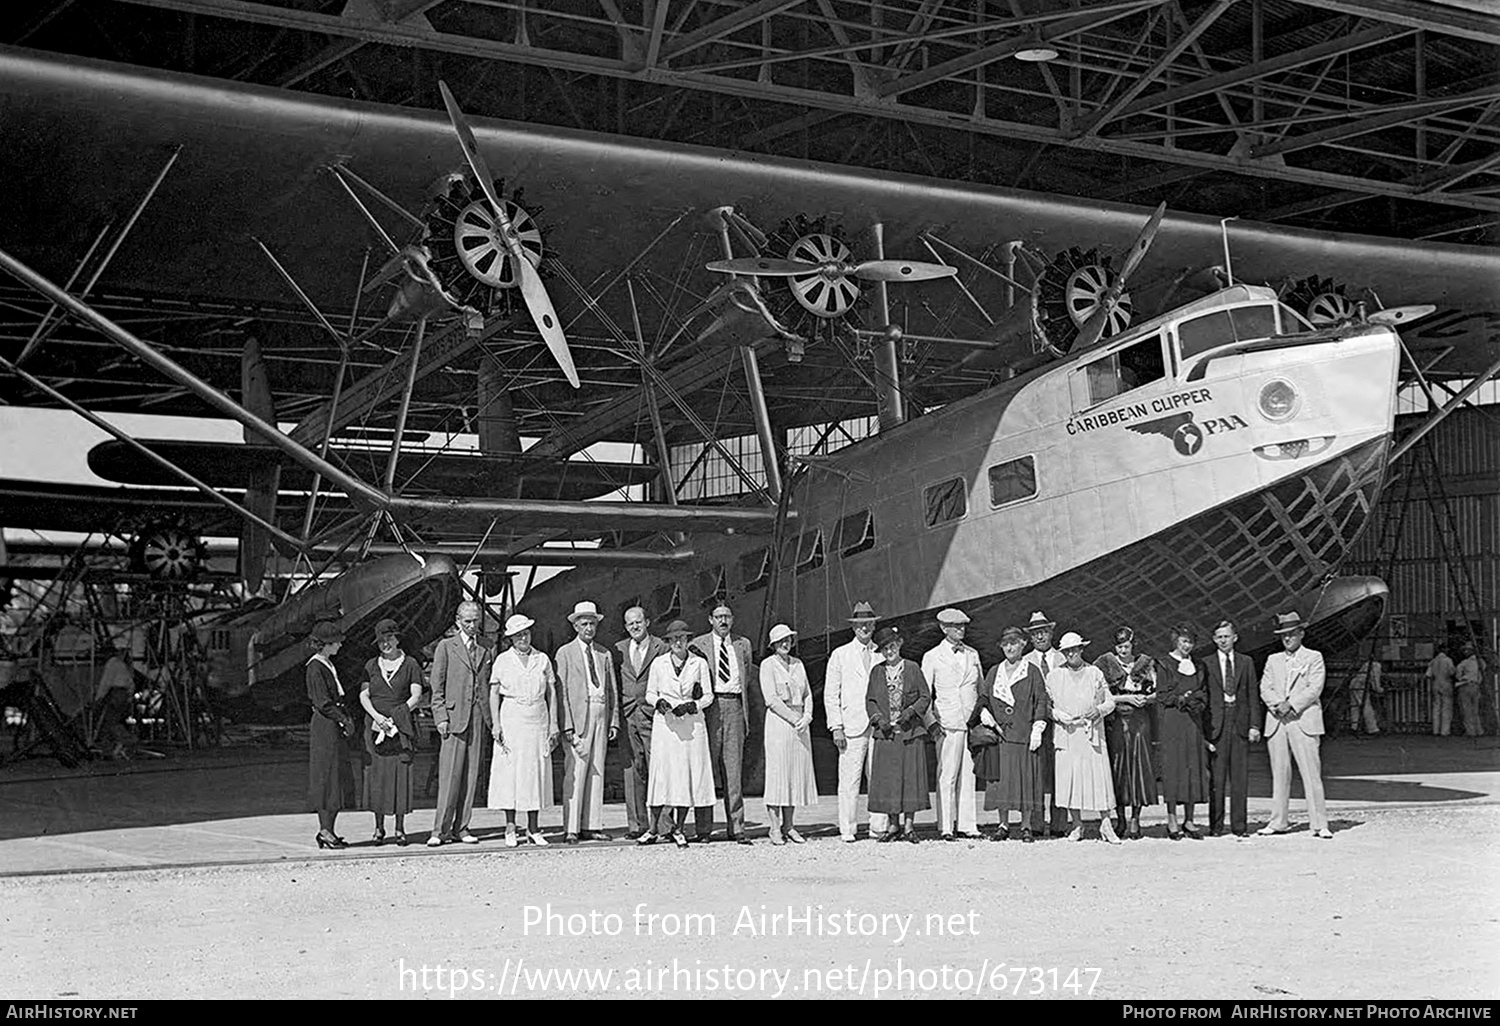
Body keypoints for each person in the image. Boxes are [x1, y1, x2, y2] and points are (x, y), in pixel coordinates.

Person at [971, 625, 1049, 842]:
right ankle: (1003, 825)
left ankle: (1025, 826)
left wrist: (1038, 727)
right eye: (1005, 644)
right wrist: (984, 711)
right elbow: (984, 696)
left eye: (1013, 643)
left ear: (1023, 644)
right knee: (1001, 781)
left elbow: (1041, 700)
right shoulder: (995, 671)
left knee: (1025, 780)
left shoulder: (1032, 670)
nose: (1009, 647)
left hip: (1024, 734)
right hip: (1000, 736)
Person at [642, 619, 716, 848]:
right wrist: (660, 702)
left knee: (685, 776)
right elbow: (649, 694)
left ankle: (679, 829)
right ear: (668, 641)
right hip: (666, 726)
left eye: (682, 638)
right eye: (673, 639)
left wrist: (694, 705)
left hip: (690, 726)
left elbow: (708, 696)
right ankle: (653, 828)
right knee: (662, 776)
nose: (678, 642)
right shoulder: (658, 664)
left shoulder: (699, 663)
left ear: (687, 640)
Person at [1258, 611, 1332, 839]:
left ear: (1301, 633)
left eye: (1291, 634)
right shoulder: (1273, 660)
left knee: (1311, 773)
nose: (1287, 639)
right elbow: (1265, 687)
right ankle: (1278, 821)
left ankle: (1319, 823)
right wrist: (1276, 705)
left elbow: (1314, 688)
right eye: (1283, 635)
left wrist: (1291, 704)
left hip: (1303, 720)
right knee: (1279, 773)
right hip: (1277, 721)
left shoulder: (1314, 657)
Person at [488, 614, 558, 848]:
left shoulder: (542, 659)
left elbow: (552, 692)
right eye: (518, 635)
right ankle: (510, 827)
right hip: (512, 718)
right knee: (510, 773)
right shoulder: (502, 660)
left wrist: (554, 724)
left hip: (537, 718)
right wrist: (496, 724)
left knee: (534, 772)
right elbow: (493, 694)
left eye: (526, 633)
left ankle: (534, 828)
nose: (523, 638)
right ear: (511, 638)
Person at [428, 601, 494, 847]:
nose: (472, 625)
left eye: (475, 620)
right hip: (453, 719)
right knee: (450, 777)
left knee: (471, 775)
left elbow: (488, 686)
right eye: (467, 621)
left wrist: (492, 721)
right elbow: (437, 686)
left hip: (477, 717)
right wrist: (441, 717)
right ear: (457, 621)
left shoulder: (486, 649)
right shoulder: (446, 647)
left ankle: (462, 827)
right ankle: (440, 830)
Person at [1045, 632, 1121, 844]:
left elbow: (1110, 701)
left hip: (1091, 733)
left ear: (1081, 650)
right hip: (1067, 733)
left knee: (1099, 778)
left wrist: (1099, 710)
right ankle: (1077, 824)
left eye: (1074, 649)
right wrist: (1058, 715)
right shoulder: (1054, 676)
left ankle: (1106, 824)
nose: (1071, 653)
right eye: (1067, 651)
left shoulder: (1094, 672)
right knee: (1070, 779)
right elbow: (1047, 706)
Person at [554, 600, 620, 844]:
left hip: (601, 710)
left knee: (596, 770)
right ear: (575, 626)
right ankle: (571, 827)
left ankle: (591, 825)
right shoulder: (565, 653)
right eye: (584, 624)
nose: (589, 628)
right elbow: (561, 693)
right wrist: (567, 725)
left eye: (592, 623)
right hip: (579, 716)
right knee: (576, 769)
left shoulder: (604, 653)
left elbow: (611, 688)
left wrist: (613, 720)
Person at [823, 601, 887, 843]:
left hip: (878, 724)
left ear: (874, 625)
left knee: (877, 777)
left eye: (869, 623)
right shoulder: (840, 654)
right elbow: (831, 694)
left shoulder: (881, 653)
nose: (865, 628)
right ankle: (847, 829)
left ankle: (878, 827)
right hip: (851, 725)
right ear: (853, 627)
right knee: (849, 779)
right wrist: (835, 726)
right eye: (860, 624)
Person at [865, 625, 932, 843]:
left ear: (899, 645)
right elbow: (870, 700)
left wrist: (911, 712)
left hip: (909, 731)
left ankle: (909, 827)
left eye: (891, 646)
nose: (888, 651)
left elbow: (924, 696)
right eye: (884, 649)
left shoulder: (912, 668)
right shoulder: (877, 671)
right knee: (889, 780)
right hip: (886, 734)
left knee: (909, 778)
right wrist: (878, 719)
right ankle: (893, 825)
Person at [694, 604, 754, 845]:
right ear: (710, 620)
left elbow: (747, 674)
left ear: (733, 619)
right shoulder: (698, 644)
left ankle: (737, 827)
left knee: (733, 769)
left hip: (734, 705)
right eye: (718, 617)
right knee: (705, 769)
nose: (723, 621)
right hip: (710, 707)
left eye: (727, 616)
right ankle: (704, 828)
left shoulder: (743, 644)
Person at [921, 608, 981, 841]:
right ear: (943, 628)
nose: (961, 630)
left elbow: (980, 687)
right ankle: (946, 825)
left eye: (963, 626)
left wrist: (980, 715)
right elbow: (925, 694)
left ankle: (968, 824)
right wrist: (931, 724)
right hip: (946, 722)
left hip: (969, 721)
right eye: (956, 626)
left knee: (969, 773)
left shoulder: (973, 655)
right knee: (947, 774)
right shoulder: (932, 656)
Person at [360, 618, 422, 846]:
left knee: (399, 777)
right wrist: (377, 718)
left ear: (397, 639)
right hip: (375, 727)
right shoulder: (370, 665)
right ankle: (378, 829)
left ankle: (399, 828)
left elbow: (416, 696)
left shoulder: (411, 664)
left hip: (401, 728)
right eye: (381, 640)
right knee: (378, 778)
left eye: (389, 638)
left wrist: (397, 718)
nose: (385, 643)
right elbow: (363, 695)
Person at [1094, 626, 1157, 840]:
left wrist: (1146, 699)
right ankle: (1120, 818)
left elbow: (1156, 691)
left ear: (1133, 645)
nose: (1123, 650)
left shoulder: (1145, 664)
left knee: (1138, 765)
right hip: (1117, 720)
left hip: (1140, 721)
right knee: (1119, 768)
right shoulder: (1105, 664)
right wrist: (1126, 699)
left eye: (1127, 646)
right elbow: (1102, 693)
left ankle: (1135, 819)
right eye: (1120, 646)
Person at [760, 624, 817, 845]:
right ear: (773, 644)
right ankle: (774, 828)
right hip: (779, 724)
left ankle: (790, 825)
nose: (786, 643)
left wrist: (808, 716)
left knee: (794, 774)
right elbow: (771, 699)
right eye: (781, 640)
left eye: (789, 639)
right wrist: (795, 719)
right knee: (778, 775)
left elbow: (807, 693)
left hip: (800, 725)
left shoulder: (798, 664)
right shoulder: (768, 665)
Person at [616, 606, 669, 842]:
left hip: (652, 714)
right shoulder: (618, 649)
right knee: (633, 771)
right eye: (630, 624)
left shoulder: (661, 647)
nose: (635, 627)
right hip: (628, 715)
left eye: (638, 622)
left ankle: (665, 826)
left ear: (647, 622)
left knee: (659, 769)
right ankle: (637, 825)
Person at [1204, 620, 1261, 838]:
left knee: (1239, 778)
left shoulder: (1246, 662)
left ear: (1235, 637)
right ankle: (1216, 826)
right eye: (1219, 637)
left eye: (1226, 636)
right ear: (1214, 639)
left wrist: (1255, 725)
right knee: (1217, 780)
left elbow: (1252, 696)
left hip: (1240, 721)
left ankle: (1239, 826)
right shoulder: (1207, 663)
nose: (1223, 640)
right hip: (1217, 724)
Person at [1155, 624, 1210, 840]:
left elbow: (1203, 692)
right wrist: (1183, 698)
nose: (1187, 646)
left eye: (1190, 642)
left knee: (1192, 766)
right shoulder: (1165, 664)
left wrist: (1197, 701)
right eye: (1183, 641)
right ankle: (1172, 820)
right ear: (1176, 641)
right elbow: (1162, 695)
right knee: (1174, 768)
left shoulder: (1198, 664)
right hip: (1173, 722)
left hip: (1193, 722)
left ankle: (1189, 820)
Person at [306, 620, 356, 849]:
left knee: (335, 775)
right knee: (327, 775)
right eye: (335, 642)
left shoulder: (327, 663)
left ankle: (329, 830)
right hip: (325, 725)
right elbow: (323, 702)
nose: (339, 645)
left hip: (332, 724)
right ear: (325, 644)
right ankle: (325, 830)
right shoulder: (315, 667)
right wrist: (343, 719)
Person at [1023, 610, 1068, 835]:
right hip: (1036, 723)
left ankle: (1060, 824)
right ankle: (1036, 823)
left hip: (1061, 723)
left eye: (1044, 632)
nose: (1040, 637)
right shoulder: (1025, 662)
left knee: (1060, 772)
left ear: (1051, 633)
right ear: (1030, 638)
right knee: (1036, 773)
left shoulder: (1063, 658)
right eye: (1035, 634)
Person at [93, 645, 135, 761]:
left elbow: (106, 681)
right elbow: (131, 683)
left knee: (109, 720)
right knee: (114, 719)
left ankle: (124, 741)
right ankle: (115, 747)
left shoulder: (112, 663)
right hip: (124, 693)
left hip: (116, 693)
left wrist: (99, 698)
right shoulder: (122, 665)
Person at [1346, 656, 1383, 737]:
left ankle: (1354, 727)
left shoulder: (1367, 663)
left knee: (1355, 707)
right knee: (1366, 706)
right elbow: (1375, 680)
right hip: (1361, 685)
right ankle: (1373, 729)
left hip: (1354, 683)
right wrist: (1380, 690)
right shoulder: (1377, 666)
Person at [1426, 643, 1456, 736]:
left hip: (1435, 684)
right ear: (1445, 650)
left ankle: (1436, 730)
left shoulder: (1433, 661)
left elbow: (1428, 674)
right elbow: (1452, 672)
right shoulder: (1448, 660)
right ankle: (1445, 731)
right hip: (1446, 683)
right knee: (1446, 707)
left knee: (1436, 707)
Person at [1456, 643, 1485, 737]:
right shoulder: (1481, 662)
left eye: (1466, 650)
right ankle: (1479, 730)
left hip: (1465, 685)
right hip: (1476, 685)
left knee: (1466, 710)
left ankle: (1470, 731)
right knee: (1475, 709)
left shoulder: (1464, 663)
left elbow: (1458, 675)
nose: (1465, 652)